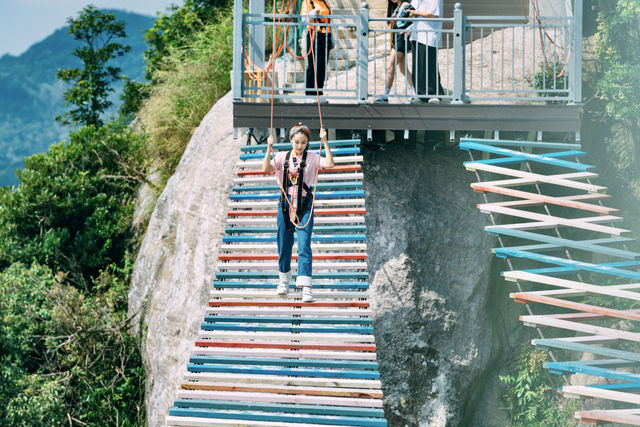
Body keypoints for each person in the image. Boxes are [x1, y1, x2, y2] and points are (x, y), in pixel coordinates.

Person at [261, 124, 335, 302]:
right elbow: (266, 169)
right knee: (284, 243)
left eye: (303, 142)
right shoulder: (281, 157)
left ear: (308, 143)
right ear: (291, 141)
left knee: (304, 245)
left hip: (304, 205)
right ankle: (284, 281)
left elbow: (330, 163)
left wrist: (325, 142)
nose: (300, 146)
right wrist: (268, 147)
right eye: (296, 142)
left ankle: (306, 286)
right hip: (285, 204)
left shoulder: (312, 157)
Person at [375, 0, 416, 103]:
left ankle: (385, 95)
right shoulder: (398, 7)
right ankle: (416, 94)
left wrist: (408, 30)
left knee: (390, 66)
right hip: (397, 39)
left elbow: (416, 21)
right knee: (403, 69)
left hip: (402, 39)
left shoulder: (406, 5)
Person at [407, 0, 445, 104]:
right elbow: (412, 12)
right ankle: (420, 94)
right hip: (416, 34)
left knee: (429, 65)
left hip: (429, 35)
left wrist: (415, 13)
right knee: (418, 66)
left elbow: (433, 14)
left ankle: (434, 93)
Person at [301, 0, 332, 97]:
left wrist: (331, 39)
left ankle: (319, 93)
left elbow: (328, 21)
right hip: (314, 35)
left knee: (322, 66)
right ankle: (310, 94)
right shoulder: (308, 2)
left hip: (325, 35)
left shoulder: (324, 3)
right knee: (313, 65)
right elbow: (304, 18)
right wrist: (315, 12)